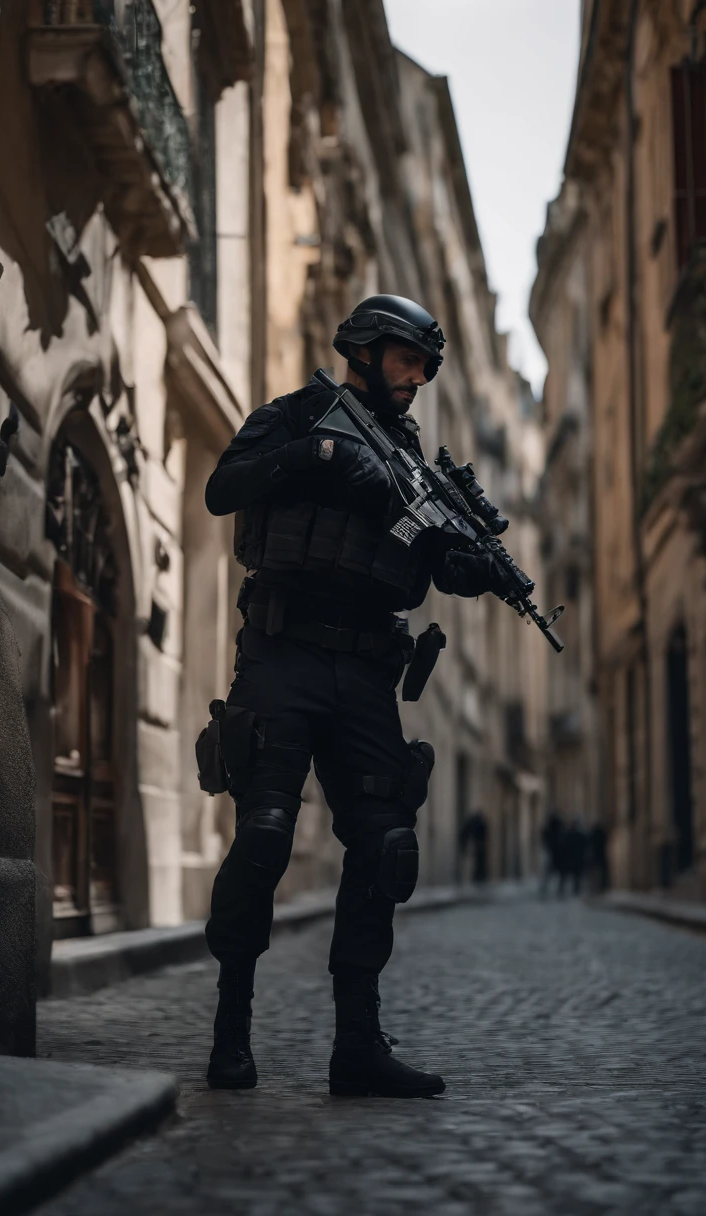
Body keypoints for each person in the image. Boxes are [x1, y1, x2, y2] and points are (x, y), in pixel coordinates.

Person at [202, 295, 509, 1098]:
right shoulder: (297, 413)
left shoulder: (416, 465)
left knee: (385, 848)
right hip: (283, 651)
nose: (417, 379)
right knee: (265, 834)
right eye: (407, 360)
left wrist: (468, 569)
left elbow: (435, 562)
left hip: (369, 671)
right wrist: (314, 458)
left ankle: (358, 1046)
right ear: (366, 350)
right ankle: (230, 1030)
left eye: (426, 368)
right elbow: (223, 488)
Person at [540, 810, 565, 897]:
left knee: (549, 875)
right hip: (558, 855)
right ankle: (559, 890)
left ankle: (546, 890)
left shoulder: (550, 830)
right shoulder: (560, 829)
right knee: (559, 875)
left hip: (553, 854)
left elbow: (545, 840)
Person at [459, 809, 489, 884]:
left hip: (479, 844)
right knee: (479, 862)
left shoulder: (476, 822)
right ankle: (479, 877)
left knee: (479, 862)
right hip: (478, 844)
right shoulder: (477, 822)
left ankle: (479, 877)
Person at [564, 818, 588, 895]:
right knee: (575, 876)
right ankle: (575, 889)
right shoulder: (573, 835)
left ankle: (575, 889)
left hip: (574, 858)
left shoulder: (570, 834)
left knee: (576, 876)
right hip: (575, 858)